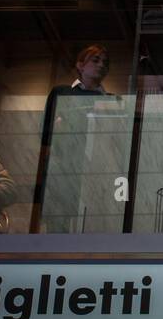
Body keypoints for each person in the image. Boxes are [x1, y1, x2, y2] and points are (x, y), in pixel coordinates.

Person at [34, 45, 112, 232]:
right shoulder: (61, 93)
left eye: (105, 62)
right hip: (62, 165)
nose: (101, 65)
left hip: (96, 170)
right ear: (80, 65)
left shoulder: (111, 101)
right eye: (95, 60)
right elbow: (44, 132)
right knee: (57, 223)